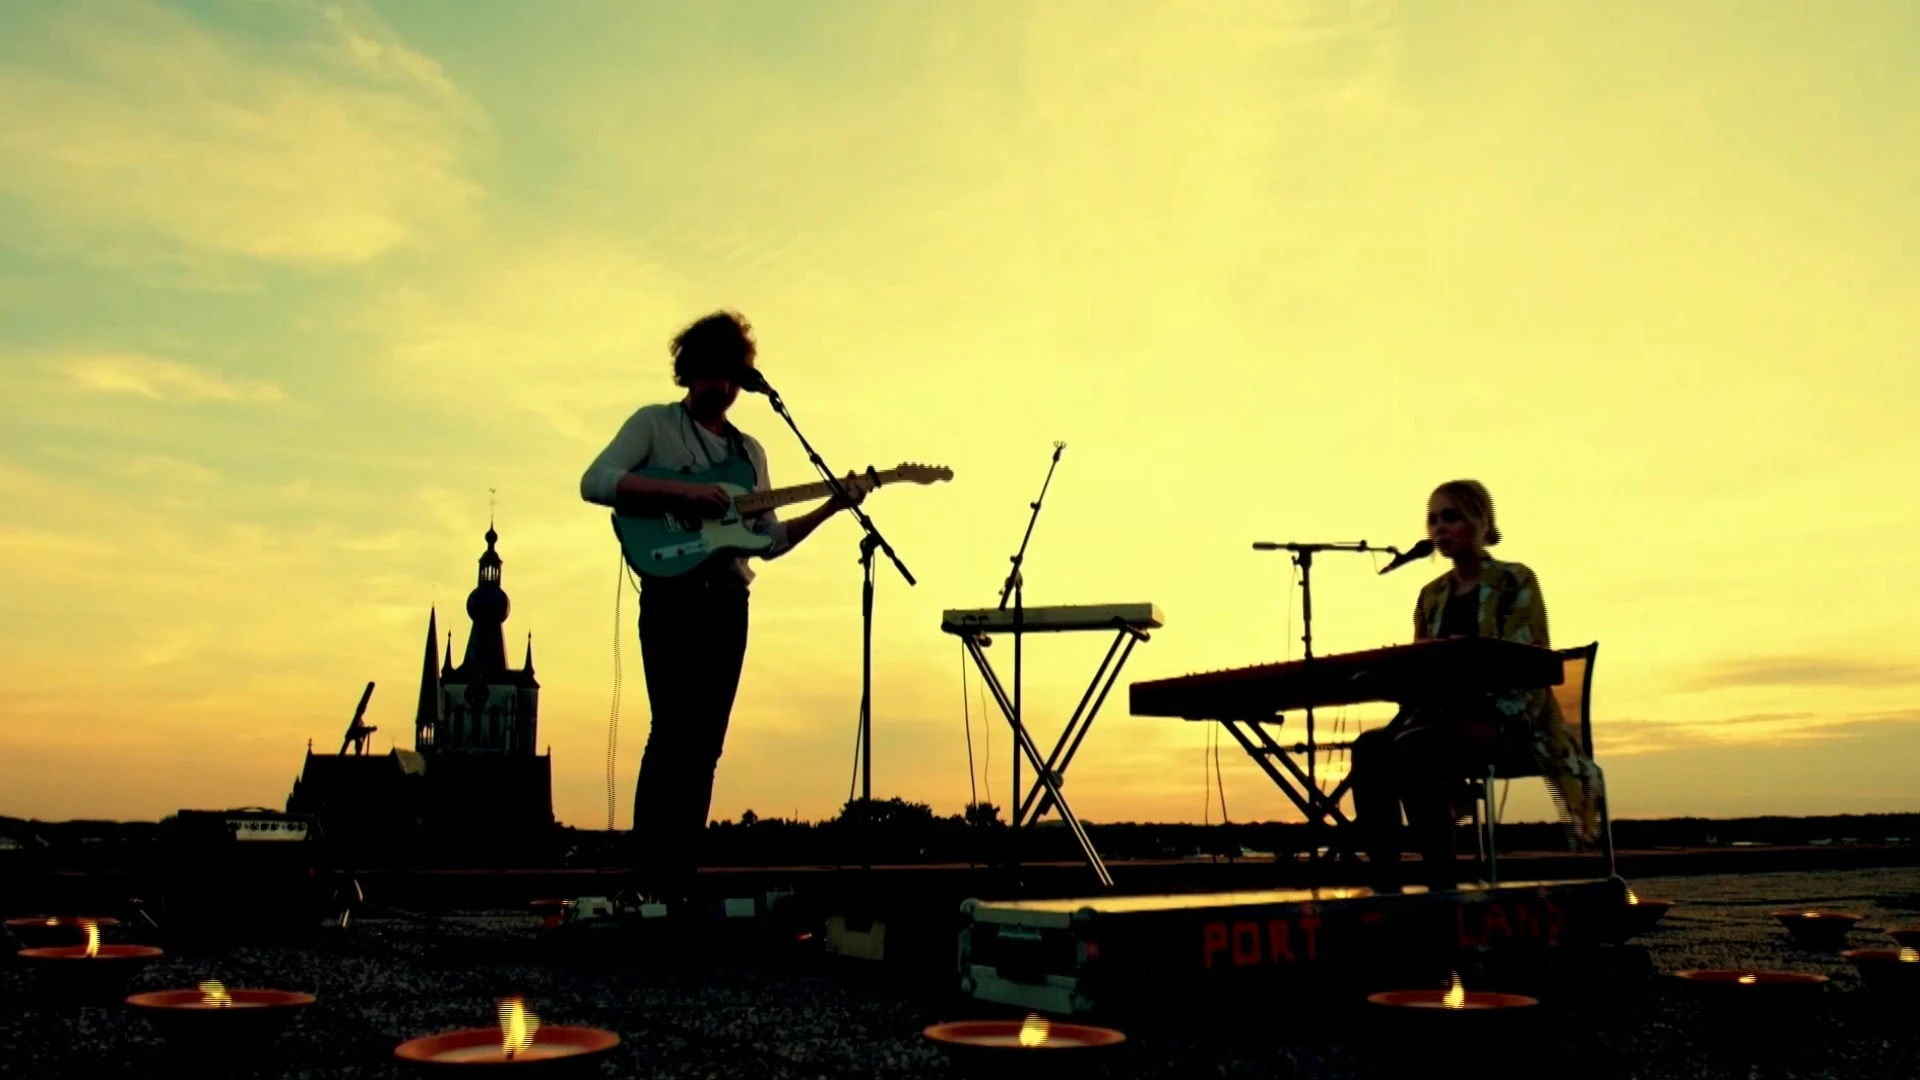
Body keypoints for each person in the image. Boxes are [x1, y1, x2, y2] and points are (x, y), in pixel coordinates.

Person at [578, 311, 864, 906]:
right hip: (671, 595)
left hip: (728, 602)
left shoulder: (750, 452)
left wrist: (834, 507)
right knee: (671, 733)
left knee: (706, 743)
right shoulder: (654, 425)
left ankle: (677, 880)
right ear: (689, 372)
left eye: (734, 376)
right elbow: (596, 481)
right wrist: (685, 493)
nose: (724, 387)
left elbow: (770, 540)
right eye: (712, 374)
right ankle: (645, 880)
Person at [1348, 479, 1597, 891]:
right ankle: (1386, 886)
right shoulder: (1431, 595)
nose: (1439, 528)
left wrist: (1480, 710)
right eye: (1432, 520)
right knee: (1370, 749)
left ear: (1481, 521)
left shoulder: (1515, 581)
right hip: (1437, 721)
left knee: (1414, 749)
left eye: (1451, 516)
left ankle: (1442, 884)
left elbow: (1527, 666)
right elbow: (1421, 667)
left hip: (1509, 724)